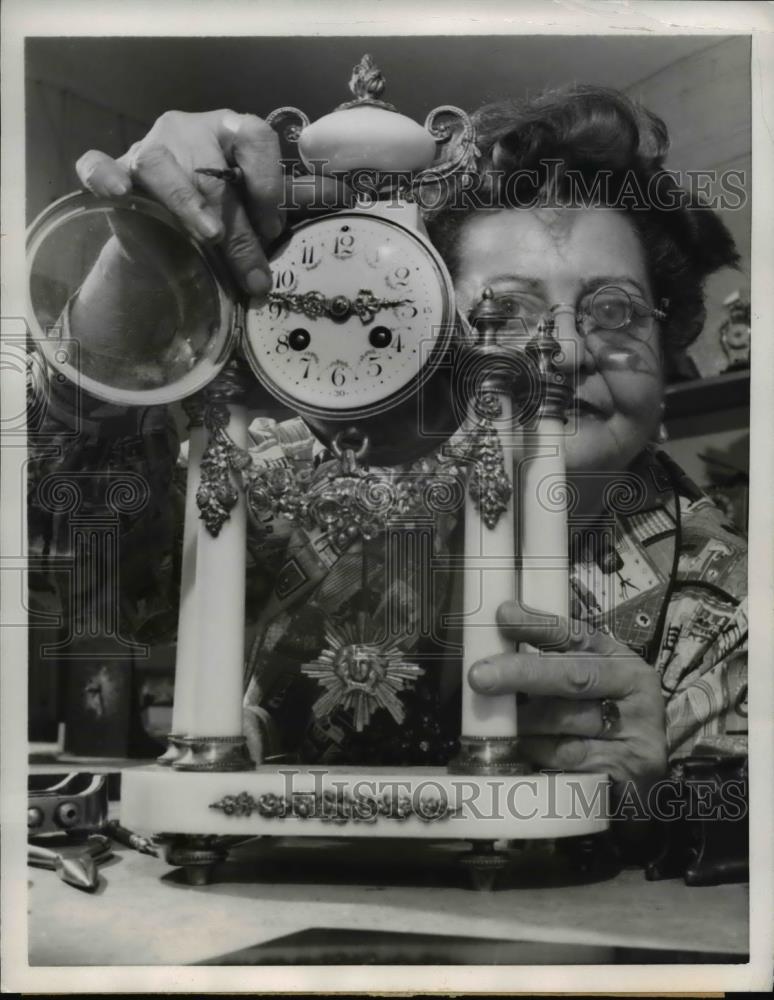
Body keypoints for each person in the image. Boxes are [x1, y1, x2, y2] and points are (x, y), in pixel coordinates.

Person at [32, 84, 746, 807]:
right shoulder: (306, 489)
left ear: (669, 343)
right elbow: (82, 576)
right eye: (505, 310)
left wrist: (655, 804)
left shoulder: (736, 603)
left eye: (615, 311)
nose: (559, 352)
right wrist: (134, 268)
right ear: (427, 342)